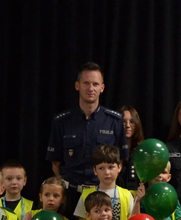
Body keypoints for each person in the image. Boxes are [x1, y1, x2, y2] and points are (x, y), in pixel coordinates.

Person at [46, 62, 129, 212]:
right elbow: (55, 163)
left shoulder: (114, 121)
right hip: (70, 196)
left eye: (95, 84)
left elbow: (120, 161)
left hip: (102, 197)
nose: (91, 88)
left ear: (102, 88)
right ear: (77, 85)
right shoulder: (61, 121)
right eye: (86, 83)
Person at [72, 145, 139, 220]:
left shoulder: (126, 195)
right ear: (95, 170)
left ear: (119, 167)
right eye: (101, 168)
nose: (107, 173)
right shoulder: (86, 195)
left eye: (111, 167)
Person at [118, 105, 145, 191]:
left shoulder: (143, 151)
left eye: (132, 121)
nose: (127, 125)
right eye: (123, 121)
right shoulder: (112, 151)